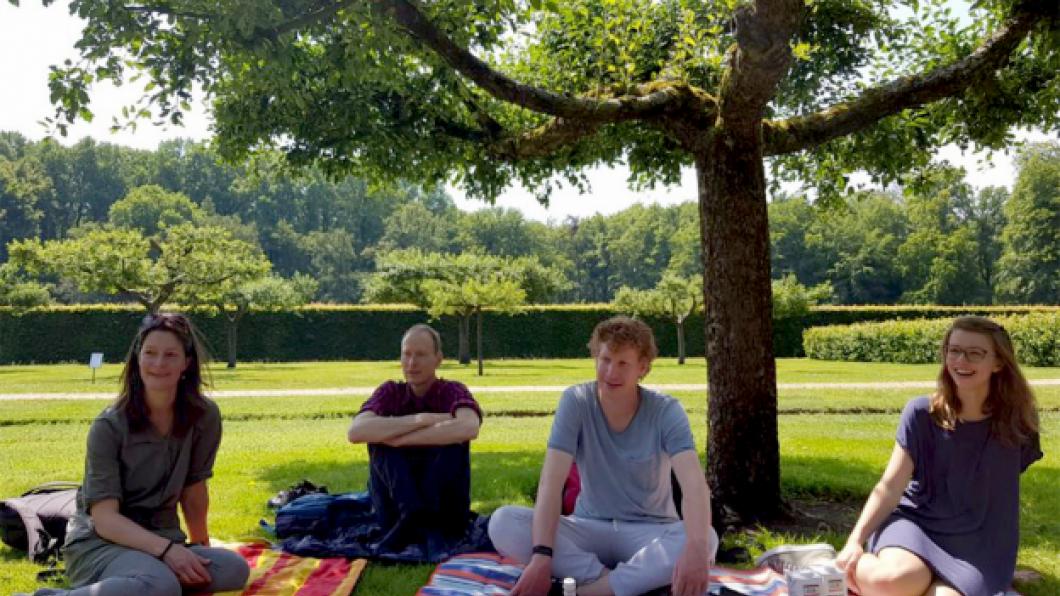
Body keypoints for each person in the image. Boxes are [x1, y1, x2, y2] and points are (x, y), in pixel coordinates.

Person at [488, 316, 718, 596]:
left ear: (643, 368)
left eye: (623, 363)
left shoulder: (666, 411)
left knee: (705, 538)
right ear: (595, 358)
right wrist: (541, 556)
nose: (611, 372)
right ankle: (614, 582)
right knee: (503, 522)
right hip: (588, 527)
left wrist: (695, 548)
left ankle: (588, 591)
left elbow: (694, 484)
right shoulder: (576, 401)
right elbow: (551, 482)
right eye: (605, 359)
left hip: (650, 531)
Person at [34, 313, 249, 596]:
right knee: (161, 585)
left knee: (233, 570)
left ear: (187, 363)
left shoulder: (204, 416)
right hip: (101, 542)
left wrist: (199, 549)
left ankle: (141, 582)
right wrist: (168, 552)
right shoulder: (109, 426)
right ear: (137, 358)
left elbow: (194, 488)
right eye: (150, 353)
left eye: (170, 355)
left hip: (163, 536)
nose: (159, 364)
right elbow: (105, 519)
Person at [836, 316, 1042, 596]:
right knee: (889, 581)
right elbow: (891, 486)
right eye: (954, 350)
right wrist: (854, 541)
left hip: (978, 542)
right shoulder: (921, 413)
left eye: (975, 353)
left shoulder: (1019, 421)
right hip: (916, 525)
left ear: (998, 362)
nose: (961, 360)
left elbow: (997, 489)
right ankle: (835, 567)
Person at [347, 323, 483, 549]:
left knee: (453, 444)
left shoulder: (452, 391)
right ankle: (410, 511)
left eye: (420, 355)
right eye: (406, 355)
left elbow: (469, 427)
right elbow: (356, 432)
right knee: (378, 444)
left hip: (443, 512)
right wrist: (423, 419)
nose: (411, 363)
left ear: (438, 359)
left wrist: (400, 438)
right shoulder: (390, 392)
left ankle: (420, 517)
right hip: (395, 516)